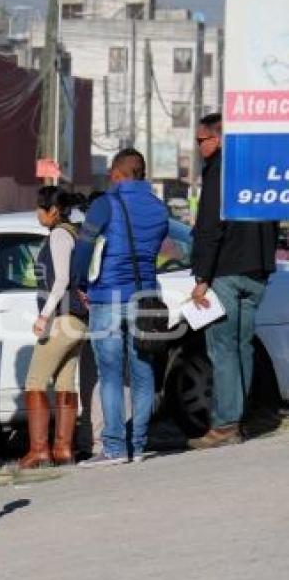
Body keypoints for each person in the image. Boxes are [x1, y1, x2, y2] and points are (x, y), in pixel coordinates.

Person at [72, 148, 168, 467]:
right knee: (142, 370)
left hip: (108, 297)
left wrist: (80, 282)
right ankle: (138, 444)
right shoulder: (158, 207)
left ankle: (113, 447)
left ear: (117, 173)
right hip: (146, 298)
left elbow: (85, 246)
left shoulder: (105, 203)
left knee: (110, 372)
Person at [188, 113, 279, 449]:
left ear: (220, 138)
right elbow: (272, 219)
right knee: (242, 348)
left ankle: (226, 424)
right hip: (257, 270)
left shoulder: (220, 171)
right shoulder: (259, 169)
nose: (199, 148)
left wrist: (201, 277)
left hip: (225, 271)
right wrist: (266, 265)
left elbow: (211, 226)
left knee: (222, 349)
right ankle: (241, 419)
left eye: (202, 141)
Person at [19, 187, 88, 469]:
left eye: (40, 207)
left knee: (34, 381)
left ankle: (38, 451)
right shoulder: (75, 232)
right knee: (64, 383)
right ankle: (62, 449)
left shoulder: (60, 235)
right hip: (78, 319)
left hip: (62, 318)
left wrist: (43, 317)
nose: (37, 212)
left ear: (53, 210)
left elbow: (60, 282)